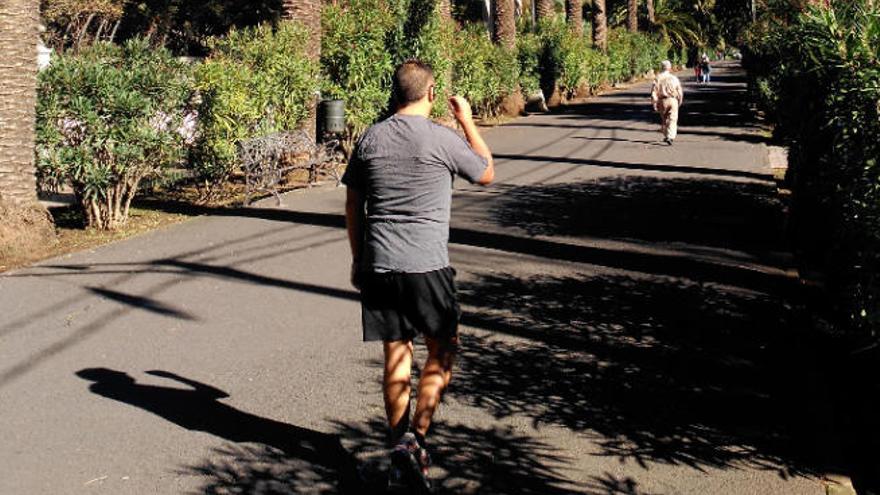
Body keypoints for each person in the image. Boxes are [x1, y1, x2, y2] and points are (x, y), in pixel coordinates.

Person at [343, 60, 494, 492]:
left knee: (397, 356)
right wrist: (467, 121)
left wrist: (358, 259)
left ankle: (397, 450)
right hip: (427, 264)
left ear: (394, 94)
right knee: (443, 351)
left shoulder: (370, 137)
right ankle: (415, 441)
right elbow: (486, 171)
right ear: (430, 94)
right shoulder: (442, 137)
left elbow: (354, 205)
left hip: (380, 263)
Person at [651, 60, 684, 145]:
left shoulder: (658, 78)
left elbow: (654, 92)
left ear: (661, 67)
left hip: (662, 100)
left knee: (664, 119)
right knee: (673, 119)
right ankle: (670, 136)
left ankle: (666, 135)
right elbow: (679, 90)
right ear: (669, 67)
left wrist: (654, 103)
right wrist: (680, 100)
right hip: (673, 100)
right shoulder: (674, 78)